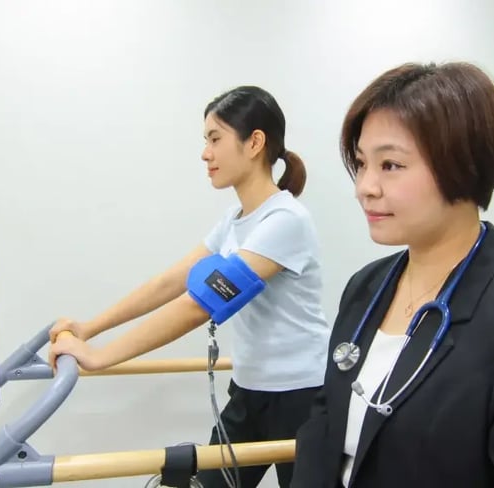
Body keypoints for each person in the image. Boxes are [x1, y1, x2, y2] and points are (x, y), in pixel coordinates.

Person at [290, 61, 494, 488]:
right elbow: (325, 424)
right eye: (363, 163)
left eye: (391, 165)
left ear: (462, 164)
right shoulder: (366, 287)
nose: (365, 186)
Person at [47, 85, 329, 488]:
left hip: (301, 396)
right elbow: (169, 282)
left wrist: (101, 357)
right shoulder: (235, 219)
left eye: (215, 139)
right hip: (249, 392)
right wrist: (90, 328)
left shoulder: (284, 221)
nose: (205, 153)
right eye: (205, 141)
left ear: (254, 143)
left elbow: (199, 305)